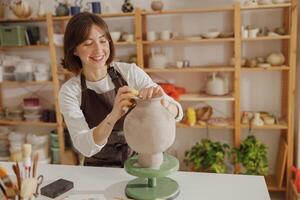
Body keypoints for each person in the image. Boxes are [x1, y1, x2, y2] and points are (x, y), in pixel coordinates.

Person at [59, 12, 183, 167]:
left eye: (103, 41)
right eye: (88, 43)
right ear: (74, 50)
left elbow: (178, 112)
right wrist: (114, 114)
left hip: (140, 161)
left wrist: (163, 104)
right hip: (99, 168)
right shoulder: (70, 91)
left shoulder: (129, 72)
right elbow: (84, 146)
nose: (98, 50)